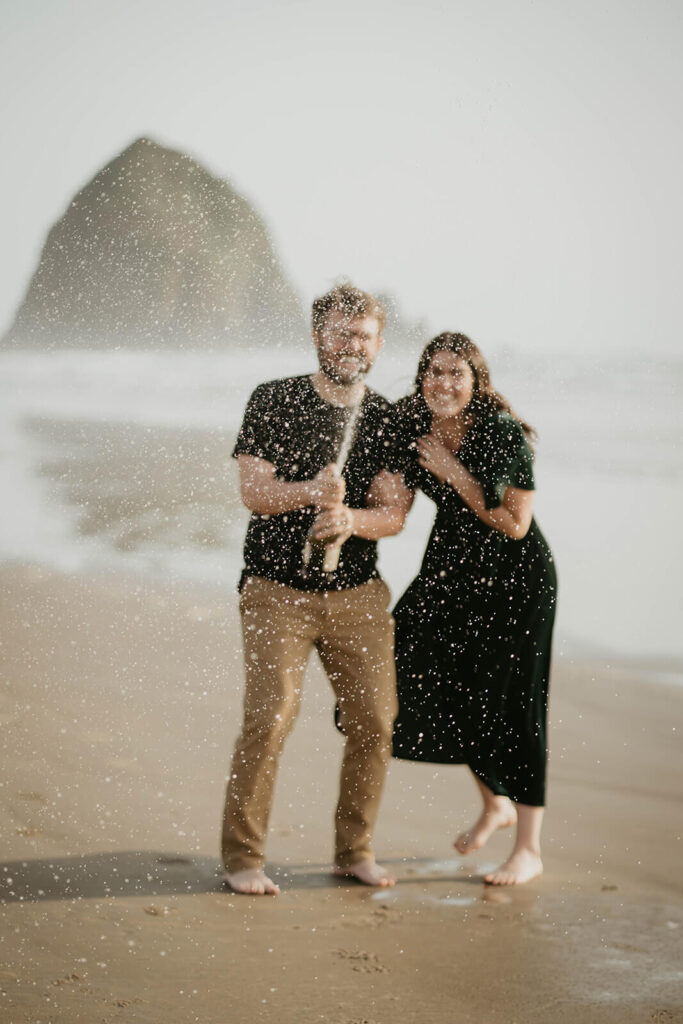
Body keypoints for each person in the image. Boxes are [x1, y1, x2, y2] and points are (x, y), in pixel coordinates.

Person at [221, 283, 408, 896]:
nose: (351, 344)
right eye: (339, 332)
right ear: (317, 336)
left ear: (378, 345)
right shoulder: (273, 399)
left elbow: (394, 513)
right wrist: (309, 491)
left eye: (363, 335)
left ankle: (354, 851)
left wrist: (352, 520)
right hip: (277, 589)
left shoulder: (385, 417)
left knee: (376, 721)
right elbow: (254, 492)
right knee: (270, 717)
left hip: (357, 594)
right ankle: (243, 859)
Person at [385, 332, 557, 885]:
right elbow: (392, 483)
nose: (443, 382)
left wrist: (452, 472)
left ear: (476, 381)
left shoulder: (500, 433)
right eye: (434, 371)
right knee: (415, 666)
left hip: (516, 580)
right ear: (422, 376)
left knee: (514, 703)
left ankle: (528, 846)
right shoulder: (415, 423)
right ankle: (494, 802)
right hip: (453, 572)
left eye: (457, 373)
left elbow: (516, 524)